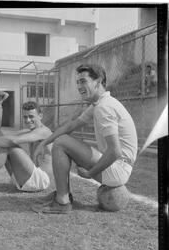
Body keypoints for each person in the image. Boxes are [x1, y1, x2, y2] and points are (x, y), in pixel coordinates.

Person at [32, 64, 138, 214]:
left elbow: (115, 151)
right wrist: (43, 143)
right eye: (77, 82)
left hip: (118, 169)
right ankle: (63, 195)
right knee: (63, 140)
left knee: (62, 142)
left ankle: (62, 202)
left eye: (83, 81)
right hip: (119, 166)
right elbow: (70, 126)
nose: (79, 86)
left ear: (98, 81)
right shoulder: (99, 104)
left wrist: (90, 173)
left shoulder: (104, 107)